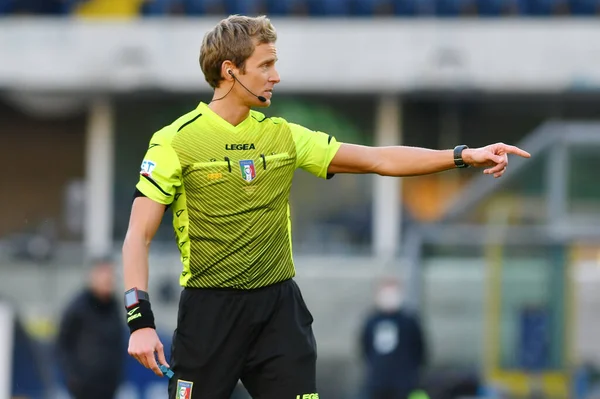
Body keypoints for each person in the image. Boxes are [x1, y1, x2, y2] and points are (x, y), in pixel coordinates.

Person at [121, 15, 531, 399]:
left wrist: (463, 155)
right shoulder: (175, 141)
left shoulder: (283, 136)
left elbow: (377, 159)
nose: (275, 76)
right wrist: (140, 324)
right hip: (210, 312)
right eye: (265, 65)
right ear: (231, 70)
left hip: (278, 311)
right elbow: (137, 236)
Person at [56, 259, 126, 399]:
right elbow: (63, 344)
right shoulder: (78, 307)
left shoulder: (114, 306)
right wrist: (73, 378)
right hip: (83, 387)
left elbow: (118, 342)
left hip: (109, 385)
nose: (108, 280)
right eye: (104, 274)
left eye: (111, 275)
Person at [360, 279, 426, 399]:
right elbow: (365, 346)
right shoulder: (372, 321)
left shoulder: (409, 321)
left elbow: (419, 348)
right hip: (378, 382)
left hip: (403, 382)